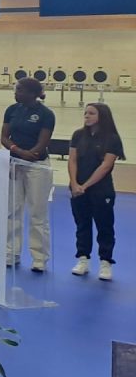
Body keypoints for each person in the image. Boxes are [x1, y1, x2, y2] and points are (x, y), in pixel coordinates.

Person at [0, 77, 55, 270]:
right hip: (15, 163)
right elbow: (4, 137)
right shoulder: (12, 110)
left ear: (32, 93)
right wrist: (18, 151)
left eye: (20, 90)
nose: (16, 93)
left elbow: (42, 143)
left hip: (37, 167)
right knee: (12, 210)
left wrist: (31, 154)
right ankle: (11, 253)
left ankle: (39, 258)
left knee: (37, 213)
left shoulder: (46, 114)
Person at [68, 103, 125, 280]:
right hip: (78, 190)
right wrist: (74, 183)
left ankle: (105, 262)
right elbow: (72, 161)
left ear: (102, 116)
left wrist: (85, 186)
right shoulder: (78, 135)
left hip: (101, 190)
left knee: (104, 226)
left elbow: (106, 165)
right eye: (85, 113)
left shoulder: (112, 139)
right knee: (82, 224)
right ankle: (83, 259)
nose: (87, 116)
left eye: (91, 113)